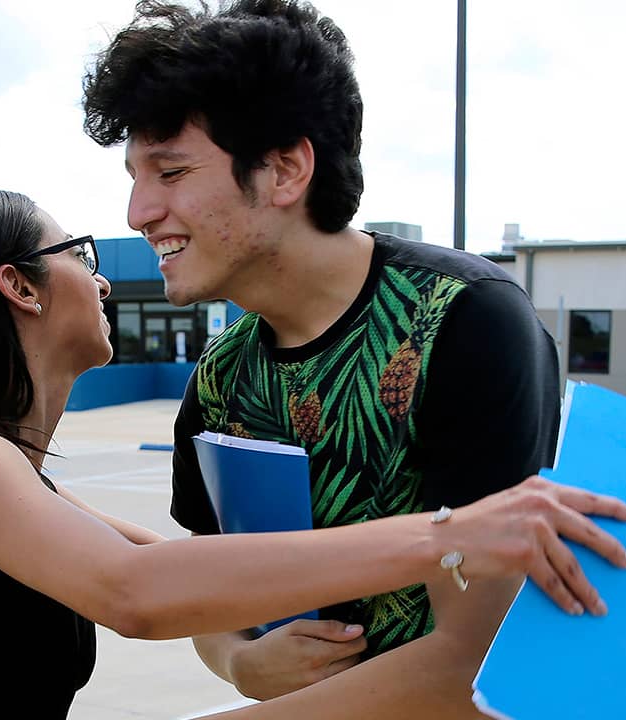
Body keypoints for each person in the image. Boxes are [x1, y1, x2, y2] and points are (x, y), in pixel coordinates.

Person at [0, 190, 626, 719]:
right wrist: (449, 534)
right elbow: (136, 592)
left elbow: (185, 567)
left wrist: (249, 654)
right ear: (22, 288)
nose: (105, 282)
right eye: (82, 256)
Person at [81, 1, 598, 715]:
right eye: (134, 176)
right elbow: (211, 595)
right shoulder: (223, 378)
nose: (138, 212)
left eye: (169, 172)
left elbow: (475, 660)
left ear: (286, 169)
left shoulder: (463, 322)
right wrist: (241, 662)